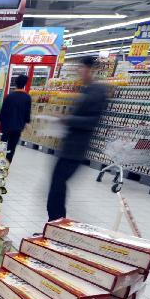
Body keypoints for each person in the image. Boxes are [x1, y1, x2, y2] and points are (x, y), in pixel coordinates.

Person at [46, 56, 108, 221]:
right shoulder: (87, 89)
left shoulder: (97, 91)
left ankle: (56, 223)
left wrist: (67, 119)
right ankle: (55, 223)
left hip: (76, 149)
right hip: (69, 148)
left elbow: (92, 121)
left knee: (57, 187)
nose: (78, 72)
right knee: (56, 186)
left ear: (91, 69)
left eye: (81, 68)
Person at [0, 74, 32, 163]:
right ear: (25, 84)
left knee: (2, 145)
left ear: (15, 83)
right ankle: (7, 164)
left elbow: (3, 110)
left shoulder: (9, 96)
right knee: (12, 147)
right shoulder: (27, 97)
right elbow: (27, 113)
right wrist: (26, 122)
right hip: (18, 126)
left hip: (6, 126)